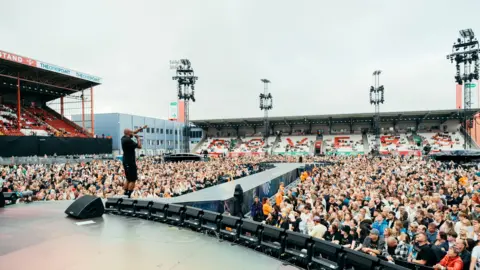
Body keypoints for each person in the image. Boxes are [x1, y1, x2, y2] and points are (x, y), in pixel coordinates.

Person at [121, 128, 142, 198]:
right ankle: (129, 195)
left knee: (128, 179)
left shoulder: (123, 138)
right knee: (133, 180)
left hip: (126, 161)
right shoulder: (128, 140)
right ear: (128, 134)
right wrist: (138, 138)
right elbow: (139, 146)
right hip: (130, 162)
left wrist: (140, 128)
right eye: (131, 133)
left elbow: (132, 132)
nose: (132, 133)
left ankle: (125, 194)